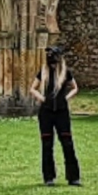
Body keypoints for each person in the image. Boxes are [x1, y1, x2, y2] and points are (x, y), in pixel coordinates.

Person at [30, 45, 82, 186]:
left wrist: (66, 98)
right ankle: (49, 178)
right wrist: (41, 98)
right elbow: (32, 88)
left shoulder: (65, 73)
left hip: (61, 112)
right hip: (46, 112)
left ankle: (73, 177)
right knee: (47, 144)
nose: (52, 63)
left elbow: (75, 87)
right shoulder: (43, 73)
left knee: (67, 143)